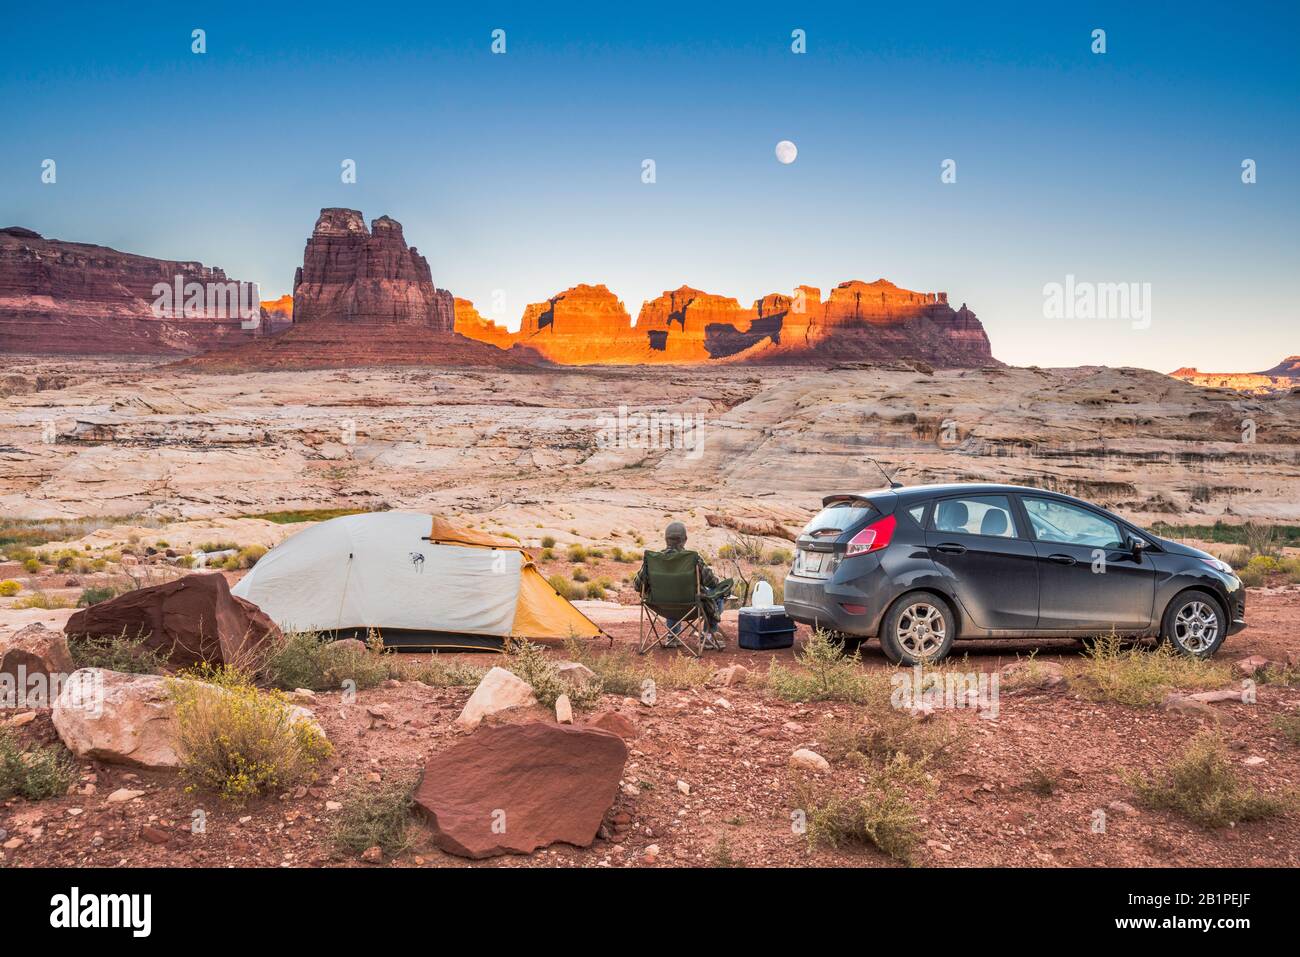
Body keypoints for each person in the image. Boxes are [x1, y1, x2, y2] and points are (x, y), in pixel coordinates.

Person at [634, 521, 727, 649]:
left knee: (671, 593)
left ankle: (672, 637)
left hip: (661, 606)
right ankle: (707, 637)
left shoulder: (652, 560)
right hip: (692, 606)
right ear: (685, 540)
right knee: (719, 596)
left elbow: (637, 585)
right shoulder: (693, 559)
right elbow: (711, 582)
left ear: (666, 539)